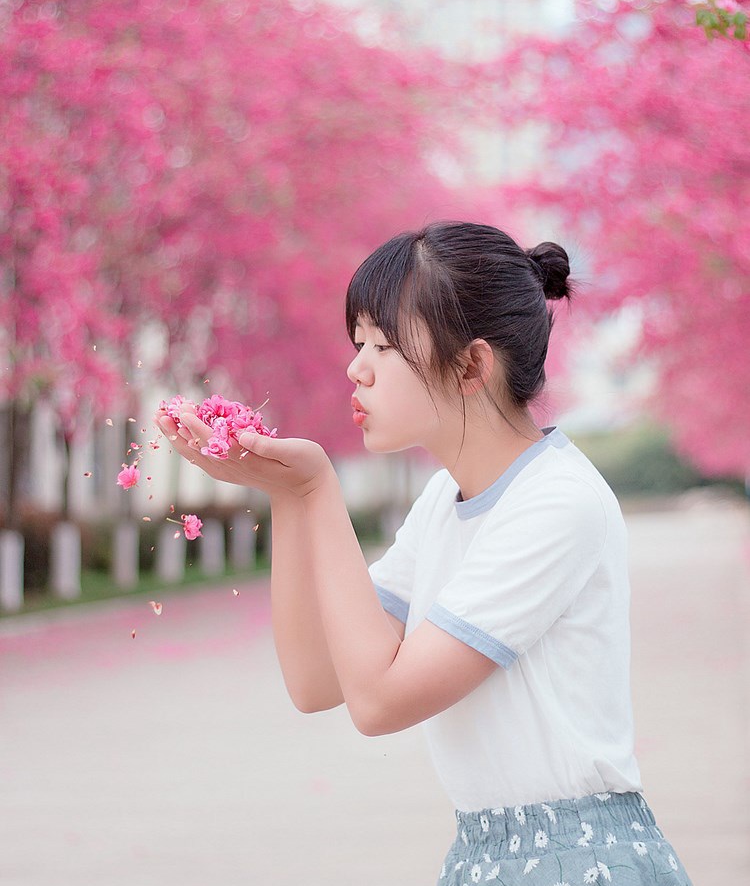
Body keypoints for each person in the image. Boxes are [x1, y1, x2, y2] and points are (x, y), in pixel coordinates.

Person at [157, 220, 693, 886]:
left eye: (382, 345)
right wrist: (289, 495)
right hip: (489, 856)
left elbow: (380, 702)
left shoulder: (557, 503)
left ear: (470, 365)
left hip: (577, 862)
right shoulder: (447, 499)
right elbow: (317, 680)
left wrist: (319, 485)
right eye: (358, 342)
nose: (356, 367)